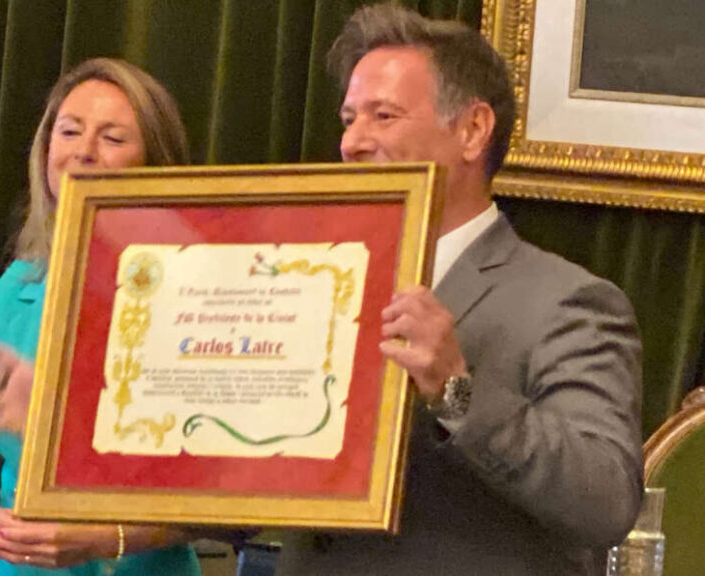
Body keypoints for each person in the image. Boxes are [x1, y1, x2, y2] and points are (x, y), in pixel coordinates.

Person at [275, 4, 643, 576]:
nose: (352, 143)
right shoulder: (314, 283)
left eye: (383, 116)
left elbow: (606, 501)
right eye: (349, 119)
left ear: (472, 131)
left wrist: (457, 392)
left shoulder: (570, 303)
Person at [0, 58, 202, 575]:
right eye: (69, 131)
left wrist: (102, 539)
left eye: (112, 138)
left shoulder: (192, 292)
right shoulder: (11, 294)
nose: (83, 151)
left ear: (155, 162)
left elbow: (211, 498)